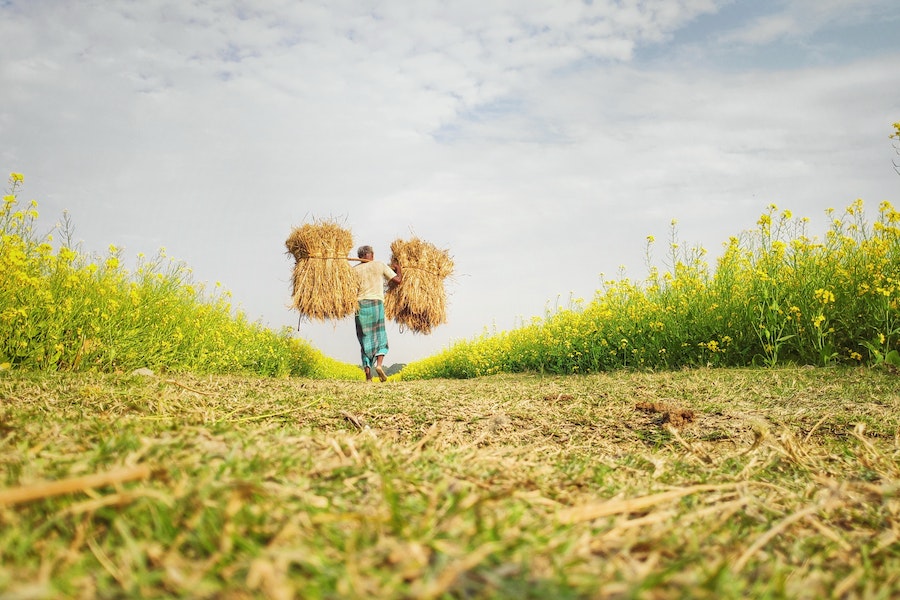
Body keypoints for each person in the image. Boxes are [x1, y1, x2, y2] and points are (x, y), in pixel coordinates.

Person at [353, 245, 402, 382]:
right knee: (380, 337)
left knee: (364, 340)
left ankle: (368, 377)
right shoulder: (379, 265)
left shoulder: (354, 270)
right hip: (376, 304)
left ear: (359, 256)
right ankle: (379, 365)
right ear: (372, 255)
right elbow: (398, 281)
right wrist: (399, 270)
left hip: (360, 305)